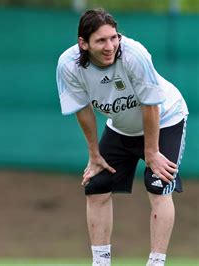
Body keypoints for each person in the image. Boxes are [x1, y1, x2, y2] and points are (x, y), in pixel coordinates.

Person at [55, 8, 188, 266]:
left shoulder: (134, 55)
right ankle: (101, 262)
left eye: (113, 38)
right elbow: (82, 110)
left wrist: (151, 153)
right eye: (101, 40)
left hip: (166, 119)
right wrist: (94, 155)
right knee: (96, 185)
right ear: (83, 43)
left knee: (158, 184)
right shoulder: (68, 65)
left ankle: (156, 262)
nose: (110, 46)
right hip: (121, 127)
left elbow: (151, 106)